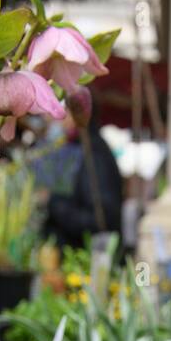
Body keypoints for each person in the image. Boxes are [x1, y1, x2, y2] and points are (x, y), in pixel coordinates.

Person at [42, 96, 123, 248]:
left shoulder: (93, 153)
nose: (54, 118)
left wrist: (53, 203)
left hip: (82, 255)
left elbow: (100, 217)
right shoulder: (76, 148)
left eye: (63, 111)